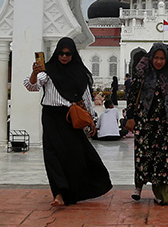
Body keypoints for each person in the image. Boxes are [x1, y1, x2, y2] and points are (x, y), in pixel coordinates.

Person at [24, 37, 112, 207]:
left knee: (75, 154)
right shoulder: (47, 71)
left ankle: (78, 189)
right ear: (57, 53)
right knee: (52, 155)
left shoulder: (79, 73)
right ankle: (58, 193)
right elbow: (31, 86)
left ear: (73, 55)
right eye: (61, 54)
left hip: (70, 117)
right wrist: (35, 72)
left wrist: (91, 120)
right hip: (51, 116)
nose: (64, 57)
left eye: (68, 54)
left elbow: (86, 98)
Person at [125, 42, 168, 205]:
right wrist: (131, 117)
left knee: (163, 157)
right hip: (145, 120)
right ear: (151, 58)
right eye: (156, 58)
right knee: (142, 154)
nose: (159, 61)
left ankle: (160, 191)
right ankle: (138, 187)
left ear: (167, 59)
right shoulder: (142, 73)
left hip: (165, 122)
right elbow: (132, 96)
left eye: (162, 58)